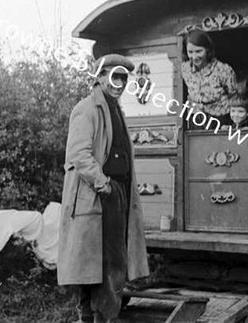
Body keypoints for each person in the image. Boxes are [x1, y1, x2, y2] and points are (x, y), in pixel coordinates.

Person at [58, 54, 149, 323]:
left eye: (123, 78)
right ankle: (94, 318)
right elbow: (79, 155)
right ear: (99, 78)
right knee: (100, 264)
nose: (119, 83)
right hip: (97, 195)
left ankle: (98, 318)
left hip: (115, 192)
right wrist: (104, 184)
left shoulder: (115, 108)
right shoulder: (87, 109)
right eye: (114, 76)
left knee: (108, 263)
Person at [181, 30, 237, 125]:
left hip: (220, 119)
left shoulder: (223, 70)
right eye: (190, 52)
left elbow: (234, 96)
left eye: (199, 51)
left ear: (208, 50)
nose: (194, 57)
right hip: (195, 118)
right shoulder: (184, 69)